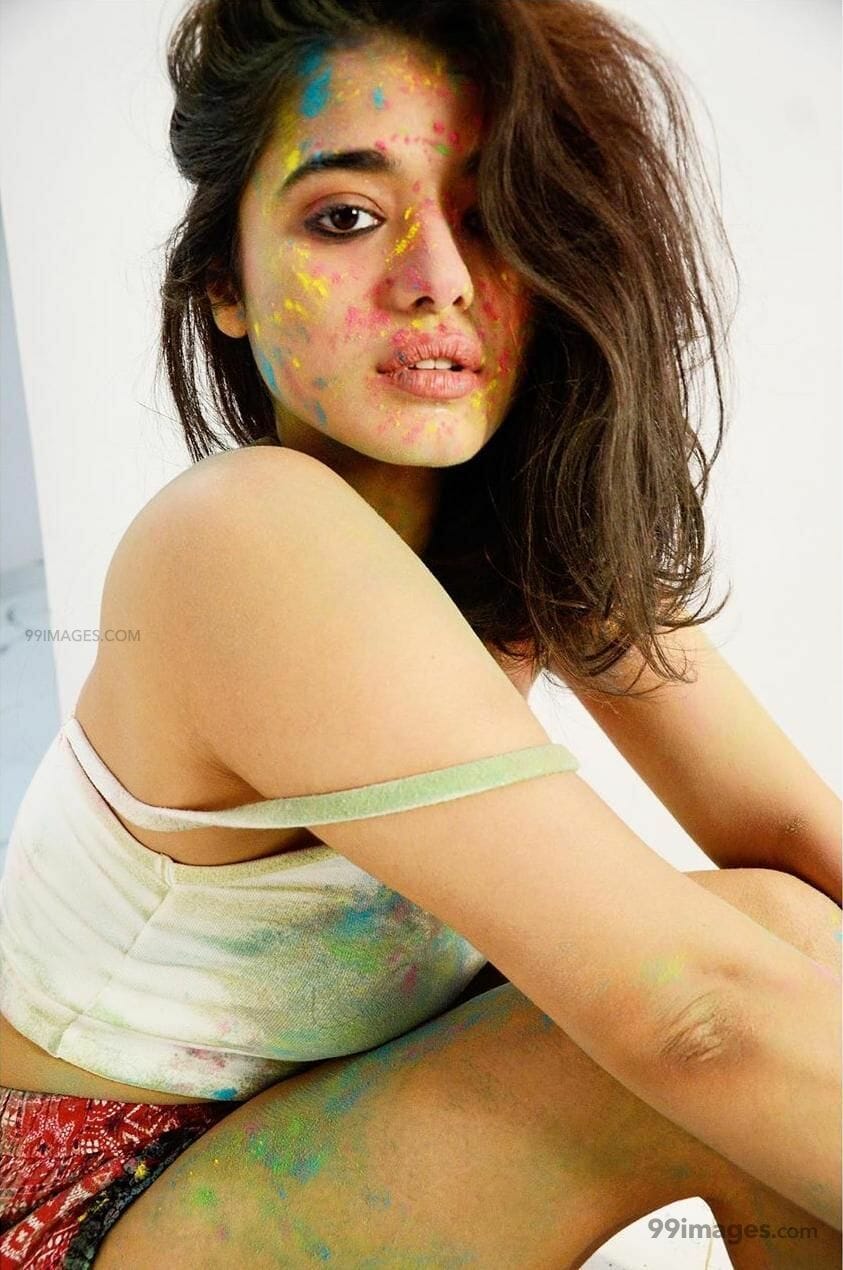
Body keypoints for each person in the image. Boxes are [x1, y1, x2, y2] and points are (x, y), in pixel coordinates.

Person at [0, 0, 840, 1265]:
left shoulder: (522, 534)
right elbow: (699, 1023)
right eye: (346, 217)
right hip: (88, 1206)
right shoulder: (241, 536)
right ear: (225, 282)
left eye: (489, 215)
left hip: (320, 1143)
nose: (439, 278)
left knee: (790, 932)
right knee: (729, 1007)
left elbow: (796, 842)